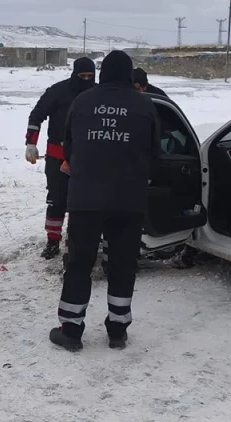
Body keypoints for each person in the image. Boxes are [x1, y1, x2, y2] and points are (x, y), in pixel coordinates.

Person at [50, 50, 161, 351]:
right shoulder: (145, 104)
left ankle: (71, 330)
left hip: (85, 200)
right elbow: (155, 153)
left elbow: (69, 150)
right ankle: (117, 329)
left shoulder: (82, 101)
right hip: (128, 201)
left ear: (101, 74)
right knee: (123, 264)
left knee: (79, 263)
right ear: (128, 75)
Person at [25, 57, 96, 259]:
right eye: (82, 76)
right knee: (56, 200)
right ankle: (52, 240)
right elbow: (36, 115)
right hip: (57, 156)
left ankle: (74, 241)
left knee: (82, 203)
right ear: (74, 74)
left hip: (87, 158)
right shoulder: (57, 91)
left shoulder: (97, 94)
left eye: (90, 76)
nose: (86, 79)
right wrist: (31, 142)